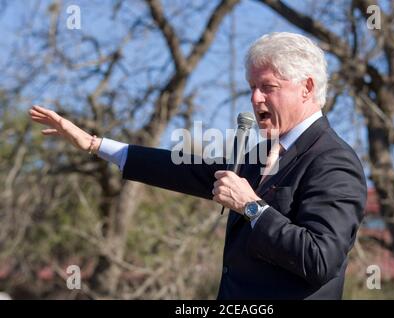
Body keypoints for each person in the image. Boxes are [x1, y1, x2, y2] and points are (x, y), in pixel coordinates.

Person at [29, 32, 367, 299]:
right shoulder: (260, 155)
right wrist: (94, 144)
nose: (255, 99)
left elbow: (320, 259)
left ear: (307, 87)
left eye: (268, 87)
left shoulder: (333, 160)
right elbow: (181, 168)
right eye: (252, 88)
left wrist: (252, 207)